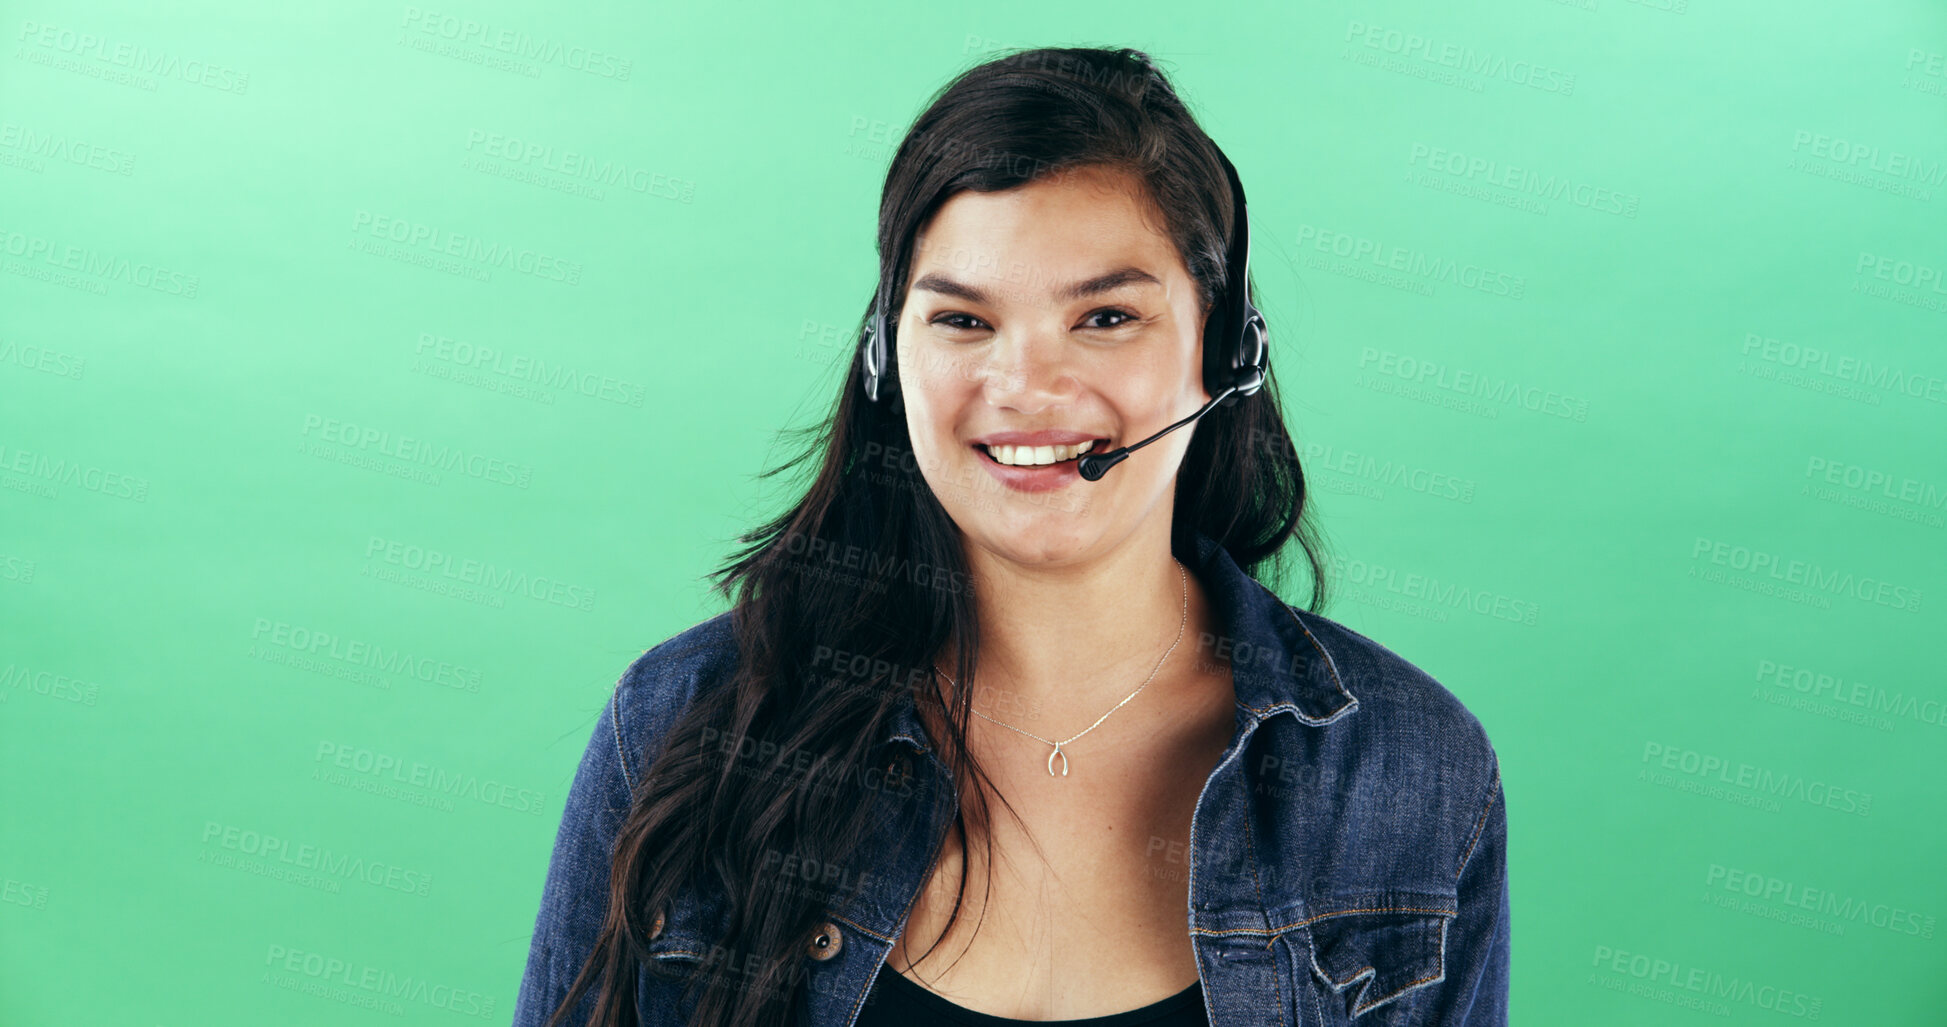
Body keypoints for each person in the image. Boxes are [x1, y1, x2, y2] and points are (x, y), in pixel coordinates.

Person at [514, 45, 1508, 1027]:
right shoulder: (681, 726)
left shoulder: (1410, 768)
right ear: (885, 358)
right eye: (963, 321)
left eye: (1107, 316)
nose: (1026, 388)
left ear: (1223, 351)